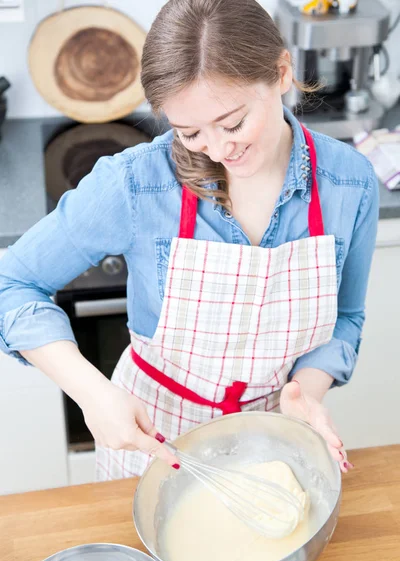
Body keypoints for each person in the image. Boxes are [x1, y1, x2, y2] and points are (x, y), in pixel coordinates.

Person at [0, 0, 378, 479]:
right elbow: (13, 285)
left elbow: (345, 317)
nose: (220, 151)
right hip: (151, 438)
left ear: (281, 72)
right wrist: (95, 396)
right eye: (190, 132)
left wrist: (304, 392)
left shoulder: (348, 183)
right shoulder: (138, 182)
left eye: (234, 122)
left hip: (271, 439)